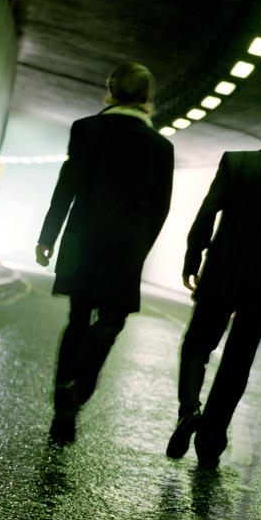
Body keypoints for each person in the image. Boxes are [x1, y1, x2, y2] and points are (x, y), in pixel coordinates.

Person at [166, 102, 261, 468]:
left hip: (220, 274)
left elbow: (207, 212)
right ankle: (210, 445)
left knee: (196, 348)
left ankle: (190, 410)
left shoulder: (235, 163)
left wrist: (194, 258)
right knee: (236, 367)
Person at [35, 62, 174, 444]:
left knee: (78, 316)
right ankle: (78, 393)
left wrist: (48, 236)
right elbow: (160, 207)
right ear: (147, 99)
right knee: (110, 322)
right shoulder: (161, 147)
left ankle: (63, 388)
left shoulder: (86, 129)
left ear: (109, 90)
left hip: (81, 238)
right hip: (125, 245)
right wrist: (140, 248)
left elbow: (68, 184)